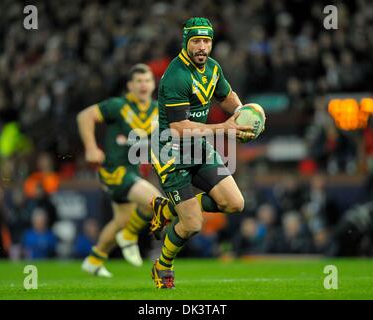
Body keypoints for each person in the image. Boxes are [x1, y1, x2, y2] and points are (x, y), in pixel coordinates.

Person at [149, 17, 265, 289]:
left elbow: (226, 95)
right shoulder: (176, 75)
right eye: (196, 41)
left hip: (198, 147)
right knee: (192, 224)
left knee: (235, 204)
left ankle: (166, 209)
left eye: (207, 41)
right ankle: (162, 265)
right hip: (171, 153)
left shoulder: (212, 68)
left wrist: (241, 114)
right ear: (186, 42)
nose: (202, 47)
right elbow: (178, 127)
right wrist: (225, 128)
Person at [77, 64, 162, 277]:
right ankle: (130, 234)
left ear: (153, 84)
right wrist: (91, 147)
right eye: (139, 81)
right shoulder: (118, 105)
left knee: (121, 221)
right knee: (158, 204)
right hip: (115, 172)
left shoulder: (157, 110)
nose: (143, 85)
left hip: (132, 172)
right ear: (130, 85)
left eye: (147, 81)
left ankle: (95, 259)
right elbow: (84, 116)